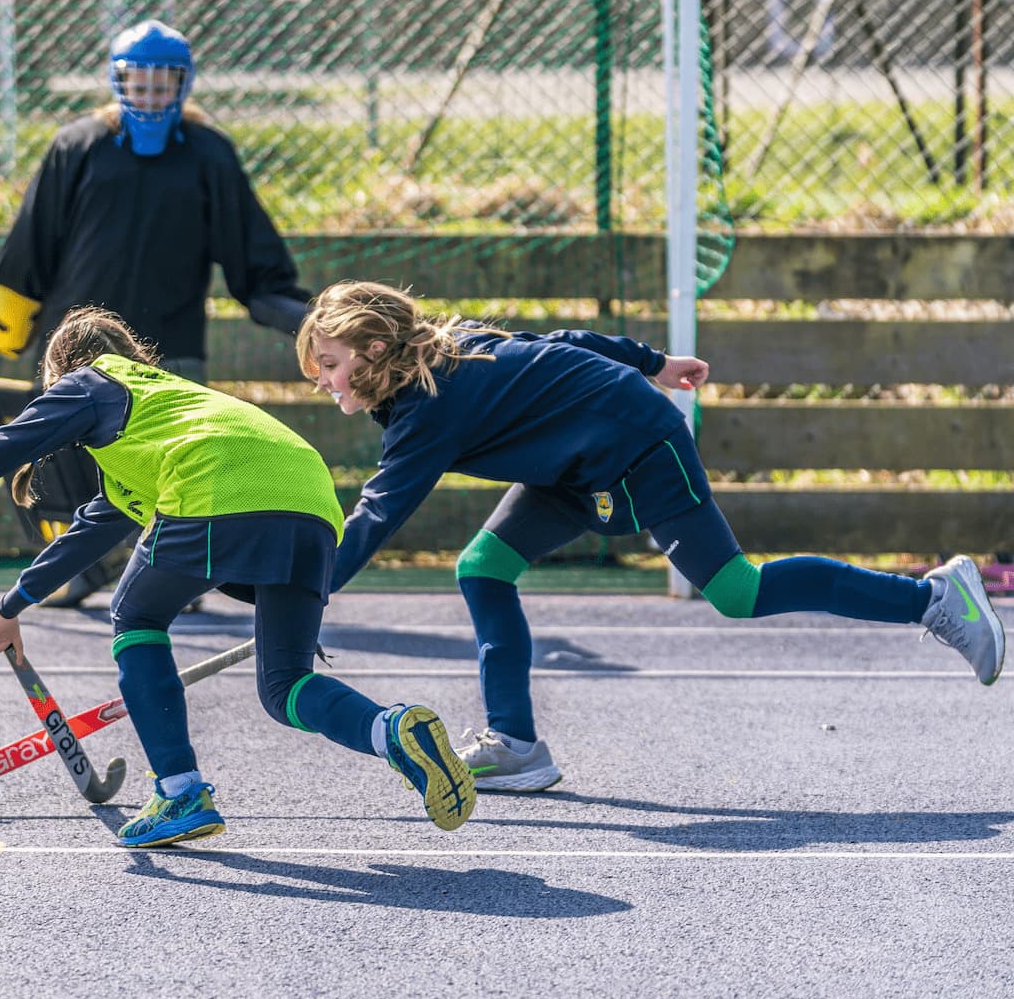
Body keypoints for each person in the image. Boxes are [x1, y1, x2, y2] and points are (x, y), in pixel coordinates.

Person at [296, 280, 1005, 793]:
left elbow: (378, 513)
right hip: (575, 460)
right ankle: (514, 742)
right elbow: (560, 343)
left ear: (376, 349)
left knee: (737, 591)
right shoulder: (446, 357)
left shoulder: (429, 406)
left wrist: (304, 594)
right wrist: (651, 360)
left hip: (636, 443)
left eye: (330, 365)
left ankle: (934, 598)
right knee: (483, 568)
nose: (323, 382)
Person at [0, 305, 475, 847]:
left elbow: (5, 443)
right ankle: (389, 730)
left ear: (64, 375)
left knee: (136, 615)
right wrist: (10, 608)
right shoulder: (163, 412)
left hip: (215, 484)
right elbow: (94, 529)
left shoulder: (95, 381)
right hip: (312, 503)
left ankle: (179, 792)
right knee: (285, 687)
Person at [0, 18, 313, 602]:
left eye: (163, 82)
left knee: (178, 463)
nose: (150, 93)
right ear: (118, 81)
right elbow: (31, 246)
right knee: (72, 461)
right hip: (79, 346)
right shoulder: (77, 145)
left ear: (183, 84)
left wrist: (302, 316)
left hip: (169, 345)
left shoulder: (209, 154)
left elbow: (253, 261)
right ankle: (81, 569)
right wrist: (5, 330)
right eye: (139, 80)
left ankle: (177, 575)